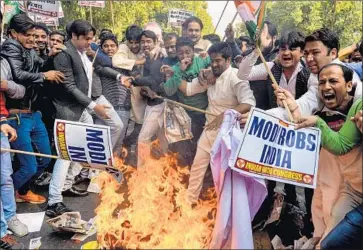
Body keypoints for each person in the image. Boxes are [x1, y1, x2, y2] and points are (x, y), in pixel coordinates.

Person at [277, 63, 362, 247]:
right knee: (327, 238)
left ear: (349, 85)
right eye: (322, 82)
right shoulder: (329, 110)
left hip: (346, 189)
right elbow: (305, 127)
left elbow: (339, 144)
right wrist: (293, 108)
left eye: (333, 81)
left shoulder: (357, 104)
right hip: (351, 189)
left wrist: (317, 123)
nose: (326, 87)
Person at [46, 19, 120, 217]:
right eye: (86, 38)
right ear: (74, 36)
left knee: (87, 146)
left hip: (82, 110)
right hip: (69, 111)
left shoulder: (82, 52)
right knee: (65, 156)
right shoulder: (64, 54)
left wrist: (90, 105)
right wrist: (94, 105)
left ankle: (73, 181)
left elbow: (102, 61)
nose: (90, 42)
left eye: (92, 38)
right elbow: (69, 87)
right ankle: (54, 201)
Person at [1, 13, 64, 204]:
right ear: (13, 33)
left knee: (45, 159)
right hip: (16, 116)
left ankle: (21, 190)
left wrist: (50, 57)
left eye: (34, 35)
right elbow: (19, 75)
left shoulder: (28, 49)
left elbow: (36, 68)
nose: (32, 39)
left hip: (33, 113)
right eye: (26, 34)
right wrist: (45, 75)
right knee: (27, 165)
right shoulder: (10, 49)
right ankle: (7, 198)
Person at [185, 42, 255, 203]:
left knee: (223, 175)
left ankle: (223, 210)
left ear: (228, 59)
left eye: (218, 61)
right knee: (197, 167)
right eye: (212, 61)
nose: (214, 64)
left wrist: (224, 116)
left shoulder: (237, 77)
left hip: (229, 134)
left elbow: (249, 103)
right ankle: (188, 203)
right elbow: (189, 89)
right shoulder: (209, 75)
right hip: (209, 130)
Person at [121, 30, 167, 167]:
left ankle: (142, 174)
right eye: (143, 41)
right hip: (153, 102)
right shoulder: (148, 57)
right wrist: (145, 89)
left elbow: (153, 79)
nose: (145, 44)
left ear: (156, 42)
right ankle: (161, 173)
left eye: (148, 41)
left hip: (159, 104)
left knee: (143, 139)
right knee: (163, 140)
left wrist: (133, 81)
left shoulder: (158, 56)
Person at [162, 37, 211, 161]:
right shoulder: (175, 69)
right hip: (186, 114)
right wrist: (179, 71)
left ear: (193, 51)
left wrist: (208, 68)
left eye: (188, 52)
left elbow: (217, 62)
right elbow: (168, 90)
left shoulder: (201, 61)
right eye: (180, 53)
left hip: (204, 111)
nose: (184, 56)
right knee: (187, 147)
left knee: (202, 146)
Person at [94, 33, 131, 156]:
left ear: (117, 47)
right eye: (106, 46)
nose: (109, 48)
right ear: (101, 48)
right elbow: (103, 69)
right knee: (99, 141)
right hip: (105, 107)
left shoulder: (127, 63)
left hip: (123, 108)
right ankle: (97, 173)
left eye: (112, 46)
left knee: (118, 143)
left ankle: (112, 173)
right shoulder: (98, 63)